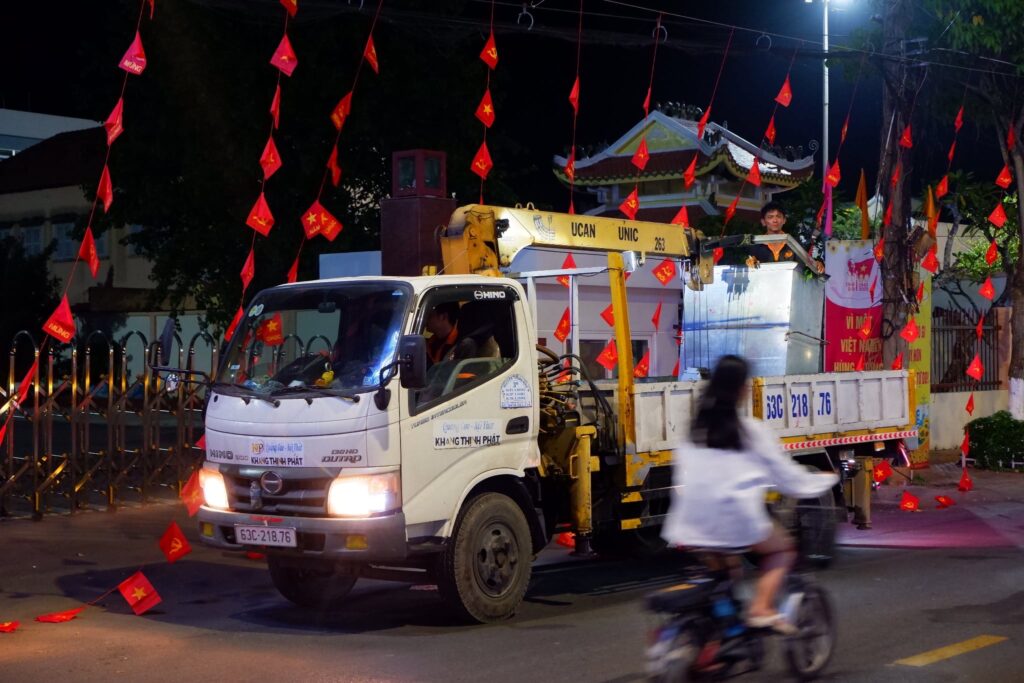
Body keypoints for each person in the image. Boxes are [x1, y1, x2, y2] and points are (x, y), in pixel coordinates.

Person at [661, 355, 838, 632]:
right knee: (782, 549)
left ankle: (719, 635)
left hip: (687, 523)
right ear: (743, 389)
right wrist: (823, 480)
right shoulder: (751, 431)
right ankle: (761, 608)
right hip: (735, 520)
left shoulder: (694, 432)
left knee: (726, 575)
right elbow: (789, 479)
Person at [746, 201, 825, 273]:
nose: (775, 220)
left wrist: (817, 264)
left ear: (784, 220)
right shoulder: (756, 245)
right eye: (770, 217)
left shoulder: (794, 242)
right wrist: (750, 262)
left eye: (778, 216)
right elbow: (752, 266)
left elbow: (806, 263)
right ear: (763, 222)